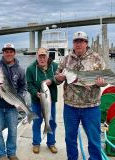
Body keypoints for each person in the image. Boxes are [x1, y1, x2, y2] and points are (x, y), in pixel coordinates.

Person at [55, 31, 106, 160]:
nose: (78, 44)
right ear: (73, 43)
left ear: (86, 43)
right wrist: (59, 77)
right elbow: (56, 77)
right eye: (76, 41)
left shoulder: (97, 58)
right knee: (70, 138)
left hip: (91, 107)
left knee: (94, 139)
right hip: (70, 107)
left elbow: (104, 79)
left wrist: (102, 82)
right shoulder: (65, 59)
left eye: (81, 41)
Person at [0, 43, 27, 160]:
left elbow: (23, 87)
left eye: (11, 51)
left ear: (14, 53)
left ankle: (11, 153)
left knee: (13, 131)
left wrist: (20, 99)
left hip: (12, 107)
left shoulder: (20, 69)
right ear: (2, 52)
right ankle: (1, 155)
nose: (8, 53)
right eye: (6, 51)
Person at [26, 47, 58, 154]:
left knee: (51, 121)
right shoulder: (30, 69)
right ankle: (36, 143)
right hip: (36, 101)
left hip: (50, 101)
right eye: (40, 56)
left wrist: (52, 80)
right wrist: (36, 93)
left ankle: (51, 143)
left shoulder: (55, 66)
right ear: (37, 56)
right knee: (37, 122)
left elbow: (60, 78)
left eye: (44, 56)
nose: (42, 58)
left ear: (47, 56)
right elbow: (29, 85)